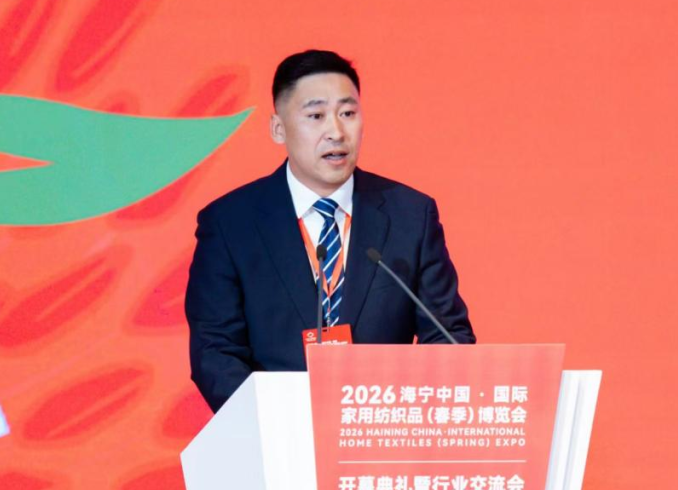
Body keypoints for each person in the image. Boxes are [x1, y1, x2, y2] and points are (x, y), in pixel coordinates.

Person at [186, 49, 475, 412]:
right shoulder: (230, 223)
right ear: (278, 128)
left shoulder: (410, 215)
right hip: (274, 432)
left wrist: (399, 414)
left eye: (348, 114)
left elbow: (448, 336)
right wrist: (274, 422)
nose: (336, 132)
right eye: (316, 116)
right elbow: (215, 351)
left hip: (381, 430)